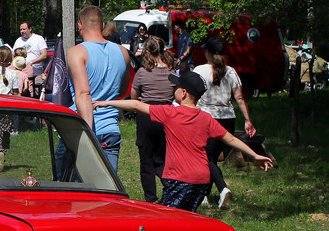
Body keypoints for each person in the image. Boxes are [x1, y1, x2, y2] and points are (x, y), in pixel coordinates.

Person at [96, 70, 274, 212]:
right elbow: (231, 139)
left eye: (177, 86)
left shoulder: (170, 113)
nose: (174, 89)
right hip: (201, 179)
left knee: (166, 221)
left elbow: (136, 105)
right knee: (187, 218)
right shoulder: (206, 118)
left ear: (183, 93)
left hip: (179, 179)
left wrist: (105, 103)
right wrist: (254, 155)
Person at [66, 6, 131, 173]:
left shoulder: (77, 52)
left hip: (82, 129)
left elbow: (83, 93)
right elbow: (122, 89)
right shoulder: (122, 52)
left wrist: (88, 134)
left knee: (71, 191)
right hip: (110, 129)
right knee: (107, 192)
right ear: (102, 25)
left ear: (80, 26)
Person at [195, 41, 256, 209]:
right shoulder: (231, 72)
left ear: (207, 52)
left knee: (205, 158)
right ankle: (204, 195)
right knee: (211, 158)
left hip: (207, 117)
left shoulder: (200, 70)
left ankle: (222, 189)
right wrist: (247, 121)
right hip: (228, 118)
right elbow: (240, 98)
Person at [130, 35, 175, 203]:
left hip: (147, 114)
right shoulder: (172, 72)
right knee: (163, 158)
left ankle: (151, 198)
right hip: (167, 116)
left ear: (147, 51)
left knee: (146, 159)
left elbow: (134, 96)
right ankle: (171, 189)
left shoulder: (142, 72)